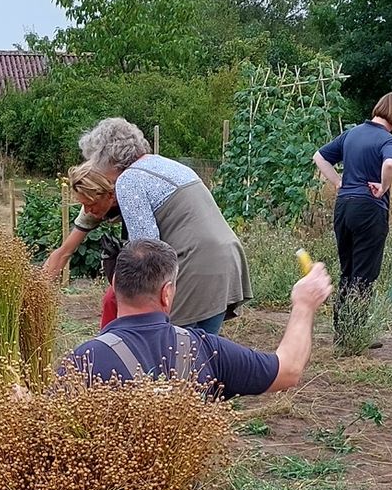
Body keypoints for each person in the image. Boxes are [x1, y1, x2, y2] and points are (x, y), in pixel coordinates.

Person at [0, 238, 332, 490]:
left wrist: (24, 409)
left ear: (114, 286)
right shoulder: (205, 350)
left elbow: (44, 445)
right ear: (167, 293)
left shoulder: (84, 360)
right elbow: (287, 369)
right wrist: (304, 306)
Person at [40, 118, 251, 334]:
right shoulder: (166, 166)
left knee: (166, 354)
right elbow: (67, 248)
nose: (94, 167)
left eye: (95, 160)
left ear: (108, 159)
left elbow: (147, 257)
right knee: (203, 356)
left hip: (192, 265)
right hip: (228, 261)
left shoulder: (129, 181)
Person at [312, 92, 392, 345]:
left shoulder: (352, 133)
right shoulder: (388, 141)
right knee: (364, 274)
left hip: (343, 208)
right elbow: (389, 165)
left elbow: (319, 157)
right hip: (369, 209)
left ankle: (341, 332)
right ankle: (354, 335)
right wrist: (384, 187)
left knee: (348, 270)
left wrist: (338, 182)